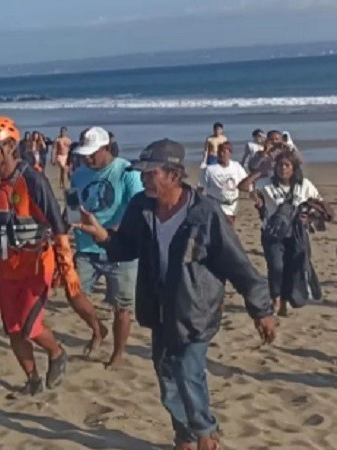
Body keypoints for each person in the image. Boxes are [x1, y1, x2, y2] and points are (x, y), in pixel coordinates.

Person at [75, 138, 276, 450]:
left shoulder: (204, 213)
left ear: (173, 174)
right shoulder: (141, 207)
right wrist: (102, 235)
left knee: (188, 371)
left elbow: (239, 265)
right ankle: (185, 435)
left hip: (196, 310)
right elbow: (125, 249)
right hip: (159, 309)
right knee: (167, 379)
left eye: (149, 173)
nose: (143, 179)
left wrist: (261, 310)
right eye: (141, 173)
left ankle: (206, 434)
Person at [0, 116, 83, 396]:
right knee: (12, 329)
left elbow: (58, 226)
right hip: (7, 265)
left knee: (30, 327)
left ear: (10, 146)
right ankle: (32, 378)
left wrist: (67, 267)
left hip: (36, 263)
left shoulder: (32, 179)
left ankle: (57, 353)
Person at [71, 126, 143, 370]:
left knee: (122, 307)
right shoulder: (79, 174)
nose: (87, 158)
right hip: (87, 246)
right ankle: (96, 328)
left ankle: (118, 353)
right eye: (84, 154)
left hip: (120, 249)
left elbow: (138, 207)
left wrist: (112, 230)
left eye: (92, 153)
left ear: (106, 148)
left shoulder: (126, 171)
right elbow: (73, 205)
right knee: (74, 293)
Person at [238, 150, 322, 316]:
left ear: (293, 168)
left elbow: (318, 204)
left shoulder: (303, 185)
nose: (282, 168)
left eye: (286, 165)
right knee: (276, 267)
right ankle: (276, 299)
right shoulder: (266, 183)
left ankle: (285, 300)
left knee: (292, 268)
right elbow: (242, 187)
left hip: (296, 235)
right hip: (272, 234)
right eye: (279, 165)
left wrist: (308, 216)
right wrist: (260, 171)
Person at [198, 141, 247, 226]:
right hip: (215, 204)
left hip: (232, 205)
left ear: (230, 153)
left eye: (224, 152)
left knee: (229, 229)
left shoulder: (236, 166)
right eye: (219, 152)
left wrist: (254, 194)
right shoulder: (209, 169)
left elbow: (246, 182)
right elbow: (201, 187)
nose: (221, 154)